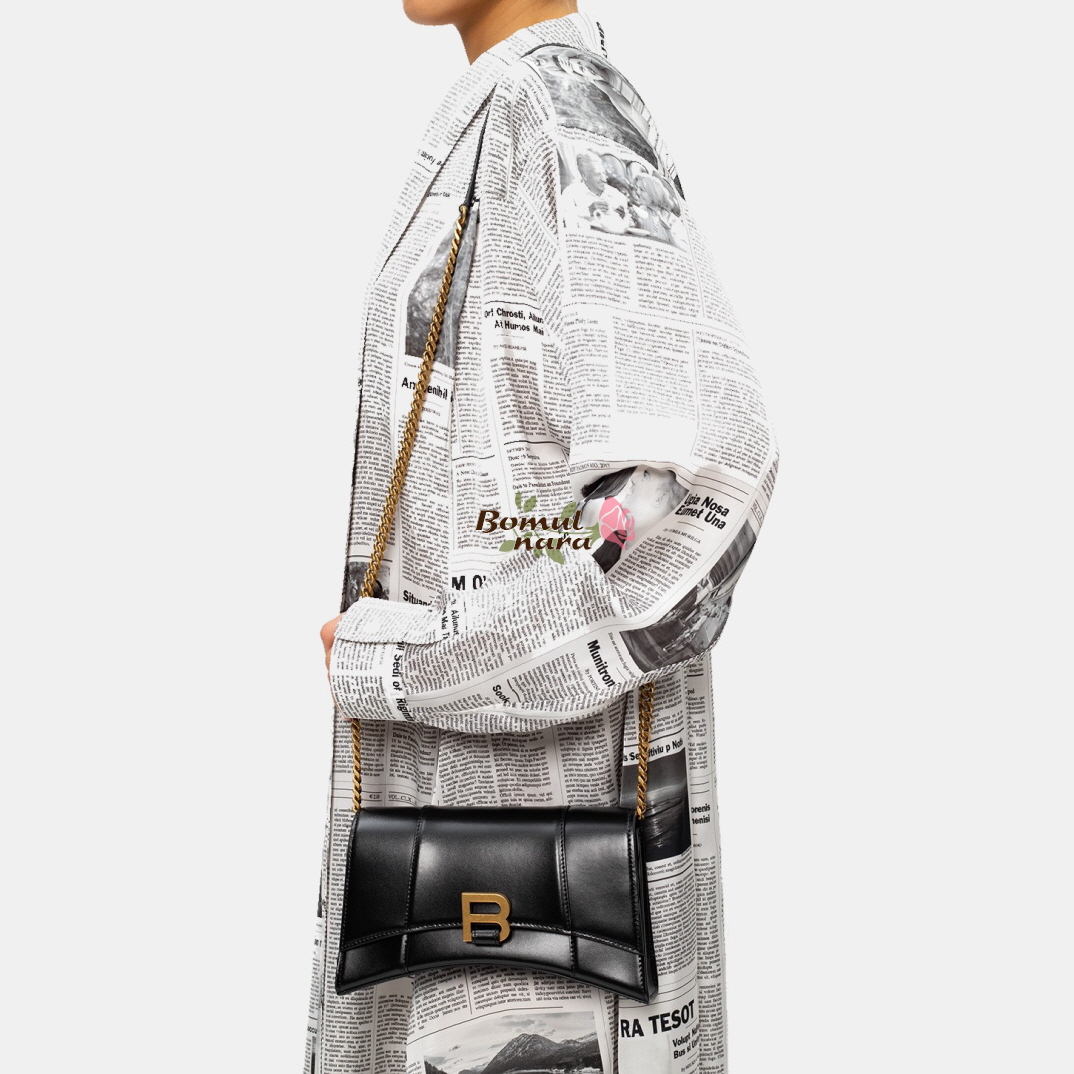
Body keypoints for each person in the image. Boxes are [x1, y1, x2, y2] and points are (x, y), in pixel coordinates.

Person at [309, 4, 779, 1073]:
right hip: (482, 811)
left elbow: (695, 479)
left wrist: (407, 660)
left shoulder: (553, 110)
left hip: (546, 836)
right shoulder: (510, 107)